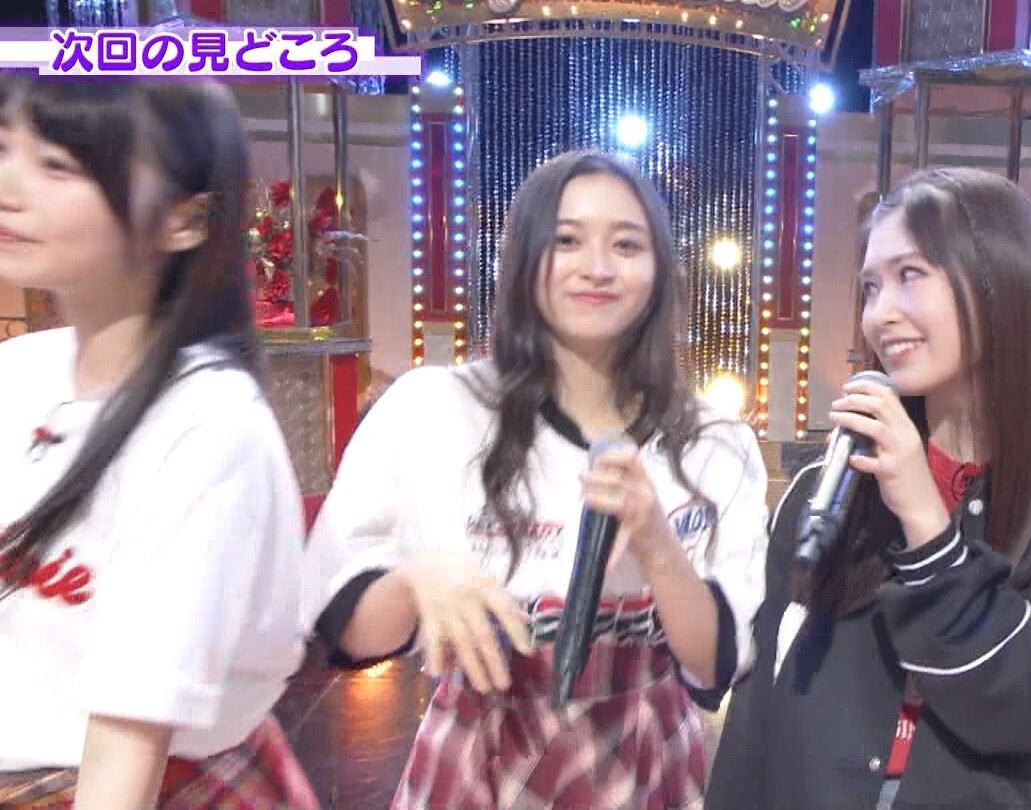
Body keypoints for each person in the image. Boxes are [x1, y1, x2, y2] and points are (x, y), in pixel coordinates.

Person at [301, 149, 769, 810]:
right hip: (480, 757)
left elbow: (715, 664)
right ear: (520, 259)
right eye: (566, 240)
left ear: (662, 270)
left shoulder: (715, 442)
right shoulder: (434, 410)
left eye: (627, 245)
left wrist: (657, 543)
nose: (597, 267)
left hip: (646, 758)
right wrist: (413, 580)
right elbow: (347, 634)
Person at [707, 167, 1031, 810]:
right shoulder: (828, 484)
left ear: (1001, 282)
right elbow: (756, 724)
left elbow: (1030, 708)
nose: (881, 314)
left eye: (910, 275)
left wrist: (925, 519)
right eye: (871, 287)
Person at [0, 75, 318, 808]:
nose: (11, 187)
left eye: (59, 167)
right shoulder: (19, 371)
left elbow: (129, 739)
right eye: (5, 151)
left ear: (184, 221)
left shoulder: (207, 424)